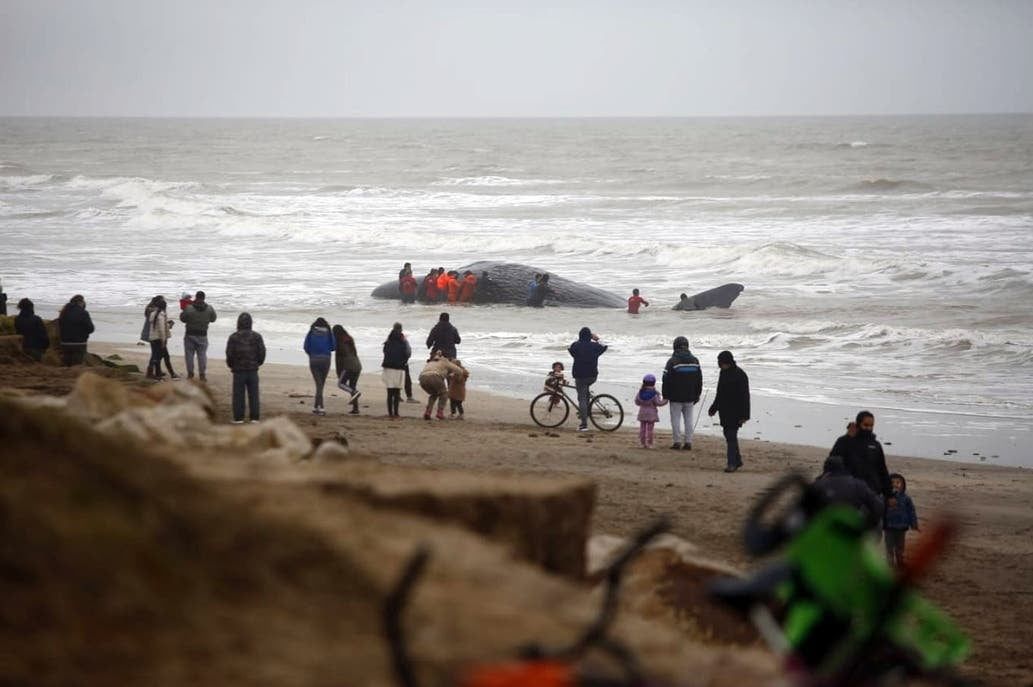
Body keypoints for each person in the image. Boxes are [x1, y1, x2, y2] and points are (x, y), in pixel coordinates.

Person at [829, 411, 891, 497]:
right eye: (865, 425)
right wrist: (847, 438)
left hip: (872, 491)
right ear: (858, 424)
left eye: (871, 426)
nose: (869, 428)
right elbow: (832, 461)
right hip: (850, 491)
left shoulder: (876, 445)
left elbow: (882, 470)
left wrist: (889, 495)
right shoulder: (845, 441)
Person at [708, 350, 750, 473]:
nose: (718, 364)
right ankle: (737, 460)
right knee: (728, 435)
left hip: (736, 411)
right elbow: (719, 393)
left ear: (727, 362)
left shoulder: (740, 374)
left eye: (719, 362)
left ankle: (731, 463)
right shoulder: (723, 373)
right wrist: (714, 408)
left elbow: (745, 396)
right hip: (724, 410)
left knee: (731, 436)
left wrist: (745, 415)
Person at [814, 455, 883, 529]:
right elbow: (878, 506)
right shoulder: (858, 485)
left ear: (825, 469)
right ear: (843, 468)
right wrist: (868, 524)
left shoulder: (818, 485)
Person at [662, 336, 703, 450]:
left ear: (675, 346)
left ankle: (677, 441)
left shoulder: (672, 361)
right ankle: (688, 442)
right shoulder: (695, 361)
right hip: (690, 396)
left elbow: (666, 379)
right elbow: (699, 379)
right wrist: (697, 394)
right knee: (689, 419)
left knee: (675, 419)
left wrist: (665, 395)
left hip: (675, 397)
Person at [225, 312, 266, 424]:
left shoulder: (233, 337)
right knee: (254, 394)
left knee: (238, 395)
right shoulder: (257, 336)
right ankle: (255, 417)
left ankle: (238, 418)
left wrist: (231, 365)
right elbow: (262, 352)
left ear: (238, 323)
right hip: (253, 369)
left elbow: (229, 354)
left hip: (238, 370)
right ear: (250, 323)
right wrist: (258, 363)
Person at [567, 327, 607, 431]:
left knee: (582, 399)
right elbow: (605, 346)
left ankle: (584, 424)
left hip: (580, 376)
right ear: (590, 336)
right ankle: (586, 411)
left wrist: (578, 341)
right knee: (585, 394)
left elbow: (569, 349)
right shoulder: (595, 346)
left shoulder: (576, 346)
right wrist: (597, 339)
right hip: (592, 376)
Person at [179, 290, 217, 381]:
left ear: (196, 297)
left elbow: (182, 319)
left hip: (190, 334)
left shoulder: (189, 308)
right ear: (204, 298)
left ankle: (190, 374)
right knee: (202, 355)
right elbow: (213, 319)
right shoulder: (209, 308)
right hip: (203, 335)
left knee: (189, 355)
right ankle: (202, 375)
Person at [883, 472, 918, 569]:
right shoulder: (885, 497)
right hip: (888, 527)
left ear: (903, 485)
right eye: (892, 483)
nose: (895, 485)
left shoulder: (906, 498)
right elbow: (879, 509)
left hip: (902, 527)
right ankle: (890, 563)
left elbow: (911, 511)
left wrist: (914, 524)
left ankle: (900, 561)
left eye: (898, 483)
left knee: (900, 547)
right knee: (889, 547)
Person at [419, 350, 465, 420]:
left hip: (422, 378)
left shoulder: (432, 361)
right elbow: (459, 370)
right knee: (444, 394)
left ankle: (428, 412)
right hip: (434, 376)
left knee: (434, 394)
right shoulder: (445, 361)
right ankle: (440, 412)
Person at [303, 317, 336, 416]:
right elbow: (333, 347)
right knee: (321, 384)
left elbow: (305, 347)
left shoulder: (311, 332)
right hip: (326, 359)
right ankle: (320, 407)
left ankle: (317, 406)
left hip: (314, 359)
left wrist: (311, 354)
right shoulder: (329, 332)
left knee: (319, 384)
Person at [381, 322, 411, 418]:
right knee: (397, 392)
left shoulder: (387, 342)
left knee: (389, 392)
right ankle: (396, 413)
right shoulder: (403, 342)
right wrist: (404, 360)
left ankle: (390, 413)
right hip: (399, 368)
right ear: (401, 330)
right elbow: (408, 353)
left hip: (388, 368)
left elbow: (384, 352)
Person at [333, 325, 363, 415]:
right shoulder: (350, 339)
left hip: (349, 366)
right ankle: (356, 408)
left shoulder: (339, 343)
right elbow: (354, 353)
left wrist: (339, 372)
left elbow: (339, 360)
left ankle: (355, 393)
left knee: (341, 384)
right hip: (357, 364)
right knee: (352, 386)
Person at [57, 295, 94, 366]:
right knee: (77, 365)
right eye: (83, 301)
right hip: (79, 343)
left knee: (66, 364)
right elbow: (91, 328)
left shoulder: (63, 312)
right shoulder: (83, 313)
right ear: (80, 302)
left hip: (64, 343)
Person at [634, 373, 668, 449]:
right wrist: (665, 400)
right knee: (650, 429)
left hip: (642, 413)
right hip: (651, 414)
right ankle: (649, 443)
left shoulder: (640, 392)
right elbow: (658, 403)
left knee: (642, 429)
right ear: (654, 383)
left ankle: (642, 443)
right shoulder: (654, 394)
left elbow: (637, 402)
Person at [146, 297, 172, 380]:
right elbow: (161, 329)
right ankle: (167, 374)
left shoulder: (153, 313)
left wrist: (167, 325)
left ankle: (156, 373)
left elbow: (157, 326)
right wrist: (163, 341)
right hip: (159, 339)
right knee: (162, 356)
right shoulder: (160, 315)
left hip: (153, 337)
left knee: (156, 355)